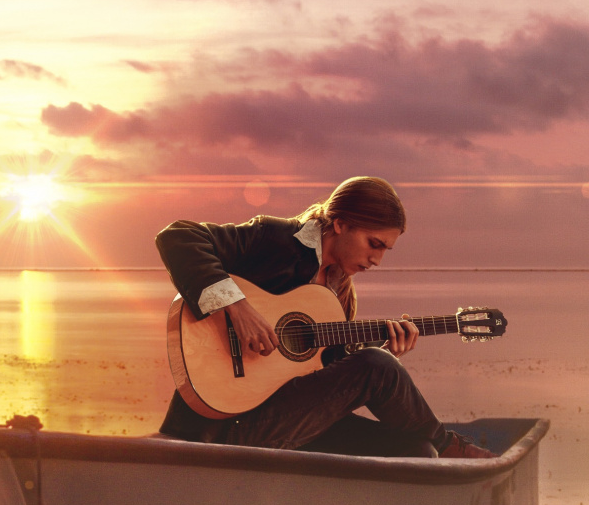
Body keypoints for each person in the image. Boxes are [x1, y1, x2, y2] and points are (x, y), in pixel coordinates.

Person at [154, 176, 494, 458]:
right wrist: (238, 307)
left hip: (283, 418)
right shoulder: (275, 241)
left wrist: (378, 351)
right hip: (223, 425)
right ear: (340, 223)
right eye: (373, 243)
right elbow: (178, 237)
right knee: (377, 367)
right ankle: (450, 446)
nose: (377, 259)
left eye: (384, 250)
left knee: (417, 451)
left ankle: (433, 454)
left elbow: (315, 371)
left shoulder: (338, 293)